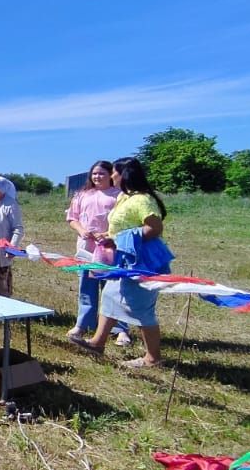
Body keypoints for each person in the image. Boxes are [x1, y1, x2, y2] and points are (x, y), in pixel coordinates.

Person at [70, 157, 173, 369]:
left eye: (114, 172)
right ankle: (98, 343)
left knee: (141, 306)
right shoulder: (125, 198)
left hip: (140, 260)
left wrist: (123, 239)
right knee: (110, 296)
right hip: (123, 259)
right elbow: (121, 227)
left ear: (123, 175)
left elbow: (154, 228)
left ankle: (153, 358)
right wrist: (110, 236)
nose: (112, 176)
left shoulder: (142, 200)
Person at [66, 161, 130, 345]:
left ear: (111, 175)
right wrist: (81, 230)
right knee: (86, 288)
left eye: (102, 173)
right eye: (94, 173)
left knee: (114, 290)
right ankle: (83, 324)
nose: (97, 177)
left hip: (111, 249)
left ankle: (121, 330)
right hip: (86, 249)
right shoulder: (82, 195)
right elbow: (72, 217)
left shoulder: (119, 195)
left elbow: (124, 223)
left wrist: (108, 235)